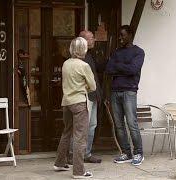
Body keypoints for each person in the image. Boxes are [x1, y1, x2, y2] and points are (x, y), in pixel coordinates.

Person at [54, 37, 96, 179]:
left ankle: (59, 163)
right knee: (80, 137)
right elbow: (93, 86)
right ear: (83, 49)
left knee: (66, 132)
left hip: (66, 102)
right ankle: (79, 171)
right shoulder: (84, 66)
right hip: (79, 102)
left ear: (72, 49)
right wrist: (83, 87)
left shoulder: (66, 64)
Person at [105, 25, 145, 166]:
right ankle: (126, 153)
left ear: (130, 35)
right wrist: (124, 67)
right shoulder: (116, 52)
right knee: (119, 125)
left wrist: (118, 66)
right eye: (119, 35)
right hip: (115, 91)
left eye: (123, 35)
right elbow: (109, 69)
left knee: (132, 123)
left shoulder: (139, 52)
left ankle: (139, 153)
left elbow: (134, 70)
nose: (120, 38)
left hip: (129, 91)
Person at [67, 30, 102, 164]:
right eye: (91, 38)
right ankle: (72, 155)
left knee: (92, 125)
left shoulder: (89, 56)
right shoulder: (78, 59)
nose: (94, 40)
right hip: (84, 98)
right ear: (83, 41)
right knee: (80, 127)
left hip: (93, 97)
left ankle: (86, 153)